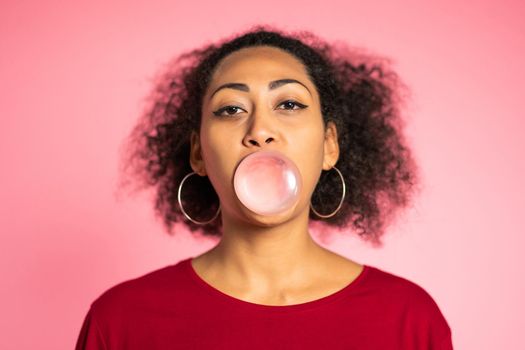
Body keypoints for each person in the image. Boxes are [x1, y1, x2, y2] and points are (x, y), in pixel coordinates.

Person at [75, 24, 453, 349]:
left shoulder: (408, 320)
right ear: (198, 154)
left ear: (329, 146)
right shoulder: (121, 320)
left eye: (288, 104)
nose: (260, 131)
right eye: (231, 109)